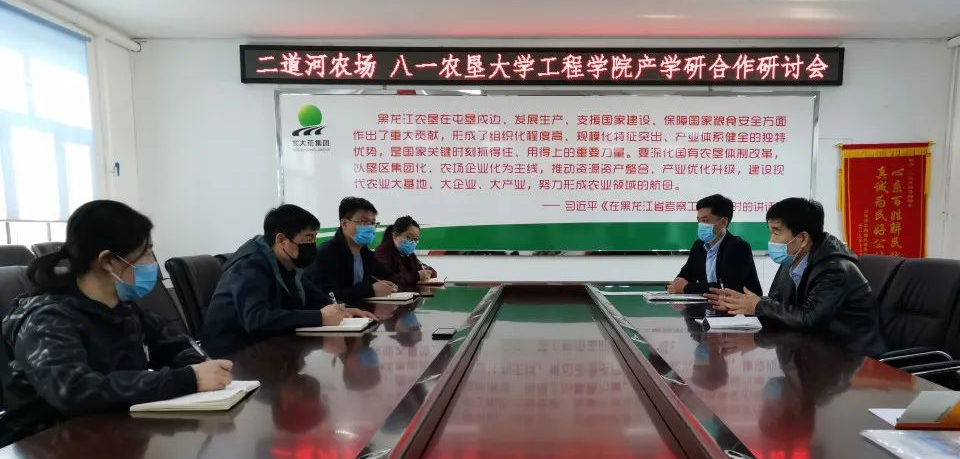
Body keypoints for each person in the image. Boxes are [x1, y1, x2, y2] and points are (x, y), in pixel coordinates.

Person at [0, 200, 232, 445]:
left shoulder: (125, 310)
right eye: (145, 254)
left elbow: (175, 345)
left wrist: (201, 367)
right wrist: (186, 379)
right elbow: (74, 390)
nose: (152, 264)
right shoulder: (47, 319)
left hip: (115, 434)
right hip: (48, 443)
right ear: (107, 261)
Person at [706, 198, 886, 356]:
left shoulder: (835, 269)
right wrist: (742, 304)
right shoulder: (792, 259)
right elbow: (778, 303)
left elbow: (810, 318)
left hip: (854, 357)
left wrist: (758, 306)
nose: (771, 240)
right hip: (814, 349)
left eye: (776, 232)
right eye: (770, 231)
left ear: (803, 238)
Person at [201, 204, 374, 357]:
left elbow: (315, 298)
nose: (312, 245)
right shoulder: (250, 266)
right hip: (234, 353)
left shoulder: (287, 262)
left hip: (268, 344)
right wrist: (319, 317)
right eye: (308, 238)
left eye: (314, 238)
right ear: (282, 240)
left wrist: (344, 311)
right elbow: (256, 318)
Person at [306, 197, 398, 305]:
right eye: (363, 222)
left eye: (373, 222)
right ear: (344, 224)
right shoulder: (326, 253)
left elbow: (389, 276)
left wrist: (391, 284)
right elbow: (327, 295)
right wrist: (370, 290)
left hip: (360, 311)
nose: (370, 227)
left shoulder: (365, 253)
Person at [668, 194, 762, 296]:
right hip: (708, 304)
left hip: (739, 305)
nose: (701, 225)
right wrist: (676, 285)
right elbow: (684, 278)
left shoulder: (738, 247)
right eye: (699, 221)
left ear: (723, 222)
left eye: (705, 220)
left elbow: (726, 289)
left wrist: (687, 287)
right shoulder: (698, 245)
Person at [374, 216, 438, 286]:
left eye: (415, 239)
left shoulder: (409, 254)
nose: (412, 242)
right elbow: (388, 279)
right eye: (409, 237)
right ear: (395, 235)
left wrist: (428, 273)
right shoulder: (382, 253)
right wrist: (416, 276)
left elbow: (426, 269)